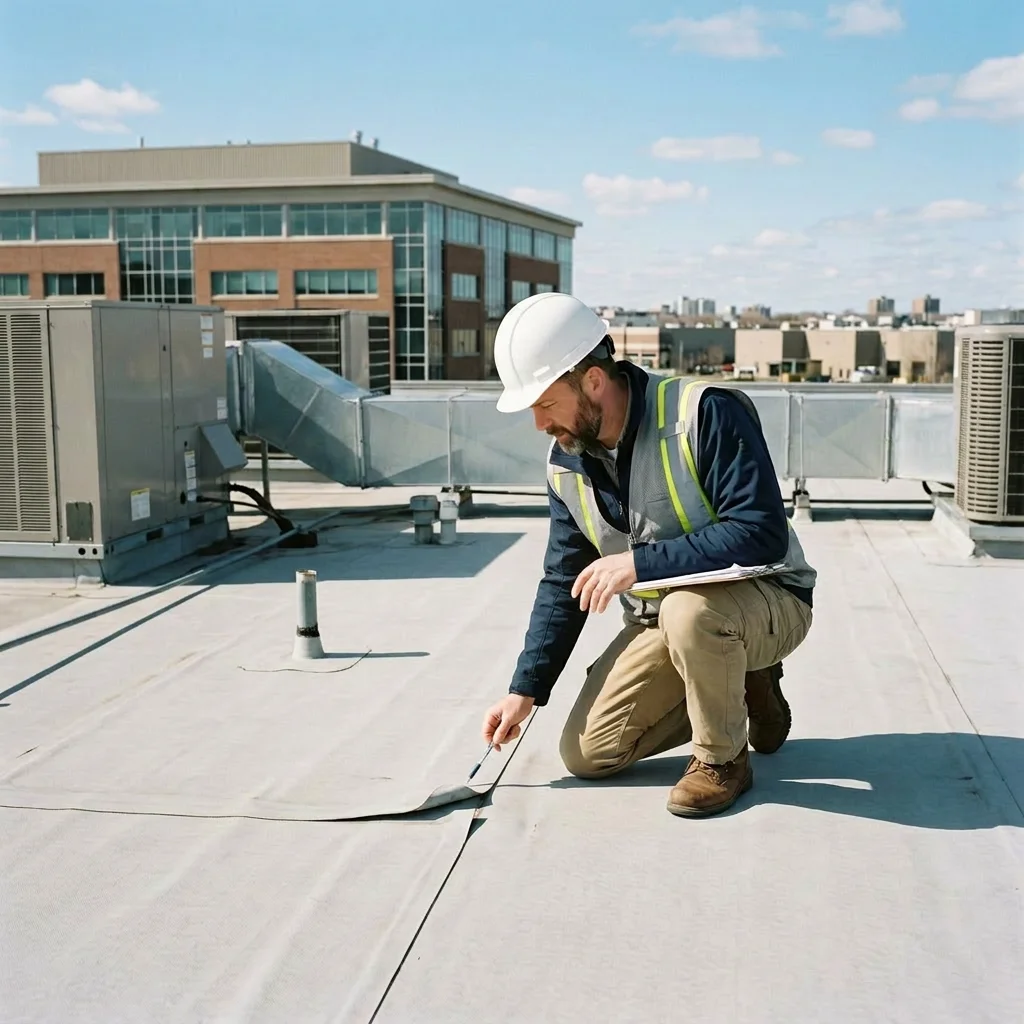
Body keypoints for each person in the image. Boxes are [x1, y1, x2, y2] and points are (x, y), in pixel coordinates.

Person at [480, 292, 817, 817]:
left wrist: (640, 564)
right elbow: (562, 581)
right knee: (589, 754)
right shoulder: (568, 461)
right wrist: (525, 690)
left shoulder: (704, 412)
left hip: (770, 601)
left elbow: (762, 532)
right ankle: (744, 685)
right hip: (668, 620)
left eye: (545, 404)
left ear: (592, 380)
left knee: (689, 612)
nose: (539, 424)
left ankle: (722, 761)